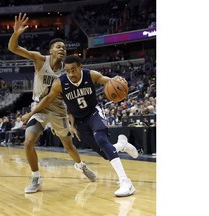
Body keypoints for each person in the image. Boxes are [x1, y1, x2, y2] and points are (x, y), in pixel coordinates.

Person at [22, 55, 139, 197]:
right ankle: (122, 145)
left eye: (74, 70)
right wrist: (31, 113)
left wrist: (118, 82)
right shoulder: (60, 83)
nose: (71, 74)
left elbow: (108, 82)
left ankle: (126, 182)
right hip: (80, 121)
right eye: (68, 71)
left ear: (80, 67)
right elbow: (47, 99)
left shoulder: (91, 75)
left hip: (94, 113)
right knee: (104, 153)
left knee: (102, 140)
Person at [8, 13, 96, 193]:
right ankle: (36, 178)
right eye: (58, 46)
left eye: (64, 47)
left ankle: (80, 165)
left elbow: (69, 98)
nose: (62, 49)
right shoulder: (40, 60)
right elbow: (13, 48)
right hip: (39, 109)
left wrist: (72, 123)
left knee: (68, 145)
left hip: (59, 111)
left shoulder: (68, 72)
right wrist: (16, 33)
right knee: (28, 141)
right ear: (51, 50)